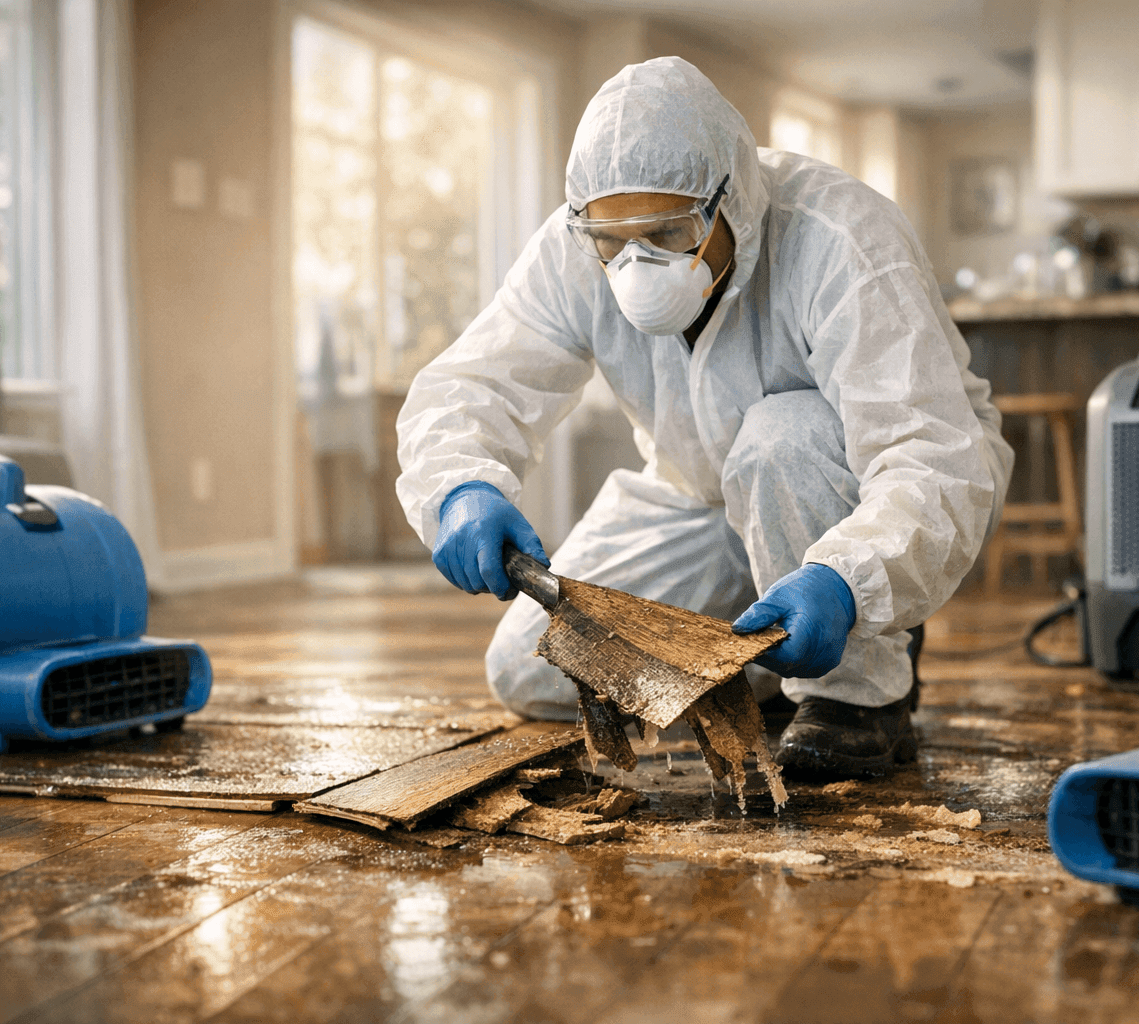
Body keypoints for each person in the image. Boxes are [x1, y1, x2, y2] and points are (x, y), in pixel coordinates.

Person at [396, 57, 1013, 777]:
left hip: (841, 488)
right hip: (696, 494)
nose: (636, 265)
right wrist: (461, 485)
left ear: (733, 199)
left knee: (781, 437)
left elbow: (929, 452)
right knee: (530, 669)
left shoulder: (841, 237)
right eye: (613, 241)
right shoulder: (572, 247)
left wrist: (851, 579)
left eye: (669, 233)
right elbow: (474, 382)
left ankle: (858, 691)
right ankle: (775, 660)